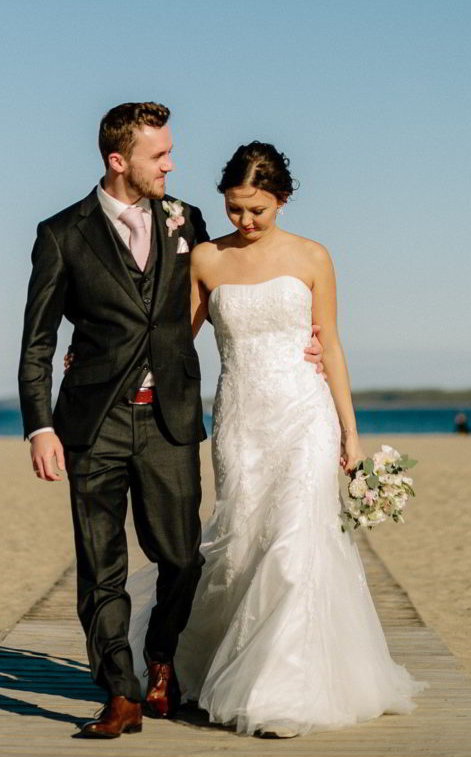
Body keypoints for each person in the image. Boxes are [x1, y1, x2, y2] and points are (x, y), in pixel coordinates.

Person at [18, 105, 323, 740]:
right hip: (92, 423)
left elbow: (220, 294)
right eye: (160, 155)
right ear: (118, 161)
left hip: (169, 419)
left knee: (182, 556)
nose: (171, 164)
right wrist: (40, 425)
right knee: (99, 564)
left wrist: (302, 338)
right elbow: (38, 343)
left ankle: (162, 658)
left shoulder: (188, 219)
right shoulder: (61, 235)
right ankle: (121, 693)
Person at [128, 141, 426, 737]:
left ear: (282, 200)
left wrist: (351, 434)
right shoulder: (207, 259)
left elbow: (331, 343)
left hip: (305, 415)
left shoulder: (314, 257)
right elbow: (175, 340)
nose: (244, 221)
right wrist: (112, 360)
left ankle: (282, 692)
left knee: (294, 545)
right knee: (240, 544)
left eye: (256, 210)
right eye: (235, 209)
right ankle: (209, 664)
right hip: (241, 422)